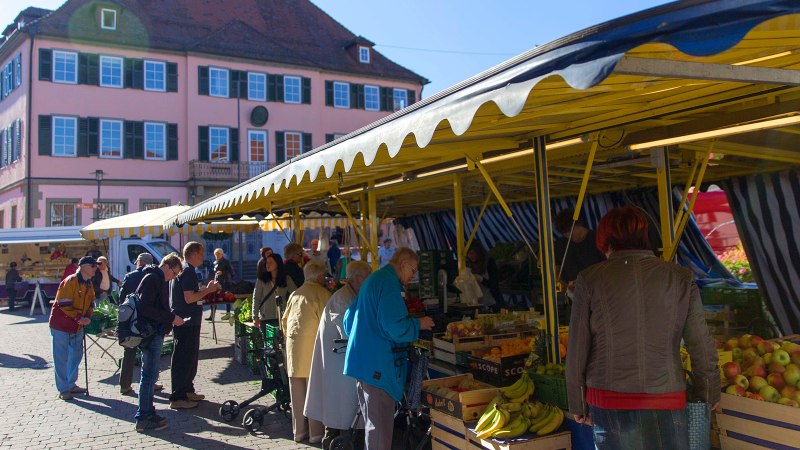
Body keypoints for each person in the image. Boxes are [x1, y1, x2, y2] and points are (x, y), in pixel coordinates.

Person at [566, 206, 720, 449]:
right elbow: (700, 341)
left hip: (608, 398)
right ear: (644, 235)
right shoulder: (681, 277)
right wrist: (708, 391)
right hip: (666, 396)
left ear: (604, 239)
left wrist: (577, 402)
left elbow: (577, 349)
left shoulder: (589, 279)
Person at [343, 248, 435, 449]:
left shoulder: (374, 279)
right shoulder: (389, 283)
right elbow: (394, 327)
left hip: (363, 363)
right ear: (402, 264)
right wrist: (419, 324)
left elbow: (348, 320)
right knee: (379, 430)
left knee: (373, 425)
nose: (412, 276)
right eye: (413, 270)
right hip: (378, 366)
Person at [305, 260, 371, 450]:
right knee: (342, 406)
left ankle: (338, 439)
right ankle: (339, 442)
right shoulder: (344, 298)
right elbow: (347, 331)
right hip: (338, 360)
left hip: (339, 360)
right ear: (359, 279)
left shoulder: (350, 295)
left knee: (340, 407)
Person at [134, 253, 186, 432]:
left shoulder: (157, 279)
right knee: (148, 377)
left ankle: (148, 412)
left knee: (150, 376)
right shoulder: (153, 279)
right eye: (174, 274)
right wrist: (171, 318)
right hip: (151, 333)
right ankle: (143, 417)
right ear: (167, 267)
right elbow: (146, 308)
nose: (173, 278)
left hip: (155, 331)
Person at [281, 260, 331, 444]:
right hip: (313, 352)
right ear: (319, 277)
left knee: (297, 394)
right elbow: (329, 325)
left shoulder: (295, 294)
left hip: (294, 351)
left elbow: (284, 322)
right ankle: (316, 434)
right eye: (324, 276)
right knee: (315, 393)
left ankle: (299, 432)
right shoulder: (323, 294)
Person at [169, 241, 220, 409]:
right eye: (201, 253)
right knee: (184, 359)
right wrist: (208, 290)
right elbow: (189, 298)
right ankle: (178, 396)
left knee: (189, 358)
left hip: (186, 320)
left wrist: (203, 290)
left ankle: (187, 389)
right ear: (193, 254)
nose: (203, 257)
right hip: (186, 321)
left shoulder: (185, 270)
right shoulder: (187, 271)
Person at [49, 256, 97, 400]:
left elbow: (91, 302)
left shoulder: (89, 283)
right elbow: (64, 303)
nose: (95, 268)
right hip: (61, 325)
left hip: (77, 325)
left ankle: (71, 384)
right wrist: (79, 318)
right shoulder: (70, 281)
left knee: (76, 355)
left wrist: (88, 316)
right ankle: (63, 389)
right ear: (83, 267)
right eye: (93, 266)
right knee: (61, 358)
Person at [118, 253, 162, 396]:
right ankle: (151, 383)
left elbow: (121, 298)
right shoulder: (155, 276)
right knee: (149, 353)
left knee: (129, 351)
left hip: (132, 320)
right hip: (148, 321)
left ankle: (125, 385)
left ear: (140, 262)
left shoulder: (129, 276)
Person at [553, 208, 605, 295]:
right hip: (572, 296)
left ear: (578, 224)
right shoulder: (560, 245)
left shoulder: (597, 240)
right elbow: (556, 269)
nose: (568, 236)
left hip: (597, 293)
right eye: (565, 234)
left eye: (570, 231)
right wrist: (565, 286)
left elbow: (607, 268)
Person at [252, 253, 293, 329]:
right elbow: (256, 298)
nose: (268, 264)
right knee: (268, 340)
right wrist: (255, 317)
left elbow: (295, 294)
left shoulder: (286, 278)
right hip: (266, 318)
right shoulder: (261, 279)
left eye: (271, 262)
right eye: (267, 262)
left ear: (278, 264)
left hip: (282, 318)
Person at [466, 241, 505, 311]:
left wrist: (481, 279)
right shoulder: (468, 265)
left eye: (472, 253)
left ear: (478, 252)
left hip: (492, 303)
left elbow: (494, 284)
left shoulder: (490, 263)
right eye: (468, 254)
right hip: (477, 305)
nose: (470, 256)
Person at [205, 248, 235, 321]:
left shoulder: (226, 262)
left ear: (222, 254)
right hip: (217, 283)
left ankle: (228, 314)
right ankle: (212, 316)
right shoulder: (215, 262)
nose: (217, 255)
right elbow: (213, 272)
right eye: (215, 254)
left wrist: (223, 273)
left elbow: (232, 273)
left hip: (225, 282)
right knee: (213, 298)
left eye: (218, 254)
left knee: (226, 299)